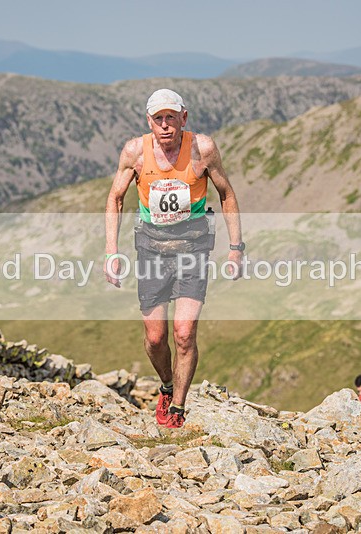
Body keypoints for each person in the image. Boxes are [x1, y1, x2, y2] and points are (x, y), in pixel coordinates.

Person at [104, 89, 243, 429]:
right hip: (151, 249)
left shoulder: (203, 149)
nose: (165, 125)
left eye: (171, 117)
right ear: (148, 121)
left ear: (184, 117)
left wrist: (236, 248)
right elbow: (115, 198)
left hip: (194, 247)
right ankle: (167, 384)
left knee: (183, 333)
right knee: (155, 338)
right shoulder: (135, 152)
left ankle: (177, 411)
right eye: (158, 119)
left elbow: (226, 194)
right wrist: (111, 250)